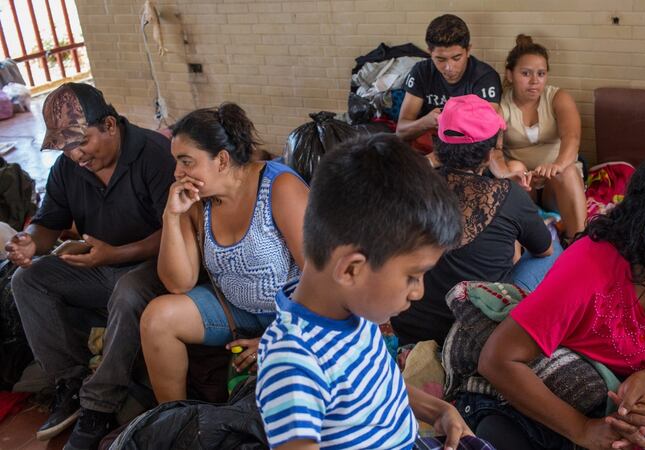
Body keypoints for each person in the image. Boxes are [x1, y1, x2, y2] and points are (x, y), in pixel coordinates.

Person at [476, 149, 645, 449]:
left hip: (634, 398)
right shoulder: (587, 268)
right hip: (575, 396)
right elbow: (496, 359)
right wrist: (582, 429)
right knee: (501, 433)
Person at [256, 134, 475, 449]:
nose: (418, 292)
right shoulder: (294, 362)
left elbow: (375, 386)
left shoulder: (355, 310)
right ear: (351, 269)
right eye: (413, 276)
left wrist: (438, 409)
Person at [5, 83, 175, 449]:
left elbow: (177, 232)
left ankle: (98, 404)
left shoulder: (155, 154)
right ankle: (70, 380)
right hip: (101, 266)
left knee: (128, 291)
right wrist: (32, 240)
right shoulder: (70, 167)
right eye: (65, 148)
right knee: (27, 279)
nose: (75, 154)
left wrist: (115, 254)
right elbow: (49, 221)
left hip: (154, 267)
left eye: (81, 142)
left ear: (110, 125)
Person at [139, 103, 308, 403]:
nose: (178, 172)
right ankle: (173, 420)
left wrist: (278, 338)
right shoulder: (197, 201)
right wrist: (171, 216)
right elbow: (179, 283)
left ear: (221, 160)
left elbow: (320, 278)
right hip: (235, 312)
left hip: (294, 315)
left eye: (186, 162)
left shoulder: (279, 187)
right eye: (176, 162)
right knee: (158, 319)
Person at [391, 94, 555, 346]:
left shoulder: (410, 185)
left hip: (410, 327)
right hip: (474, 333)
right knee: (553, 245)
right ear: (489, 153)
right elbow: (544, 250)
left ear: (440, 144)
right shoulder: (509, 195)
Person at [499, 34, 587, 242]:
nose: (534, 81)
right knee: (515, 168)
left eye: (541, 73)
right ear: (510, 75)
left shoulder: (558, 97)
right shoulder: (501, 105)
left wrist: (556, 166)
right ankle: (530, 239)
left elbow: (572, 137)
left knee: (568, 171)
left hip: (555, 185)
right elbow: (494, 148)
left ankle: (579, 241)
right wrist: (510, 173)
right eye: (526, 73)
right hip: (523, 186)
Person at [397, 16, 502, 156]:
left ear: (468, 50)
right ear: (430, 52)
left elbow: (486, 132)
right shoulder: (421, 72)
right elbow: (400, 131)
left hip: (466, 154)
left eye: (456, 58)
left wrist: (435, 159)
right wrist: (425, 122)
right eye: (440, 59)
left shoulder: (485, 77)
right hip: (427, 148)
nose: (449, 68)